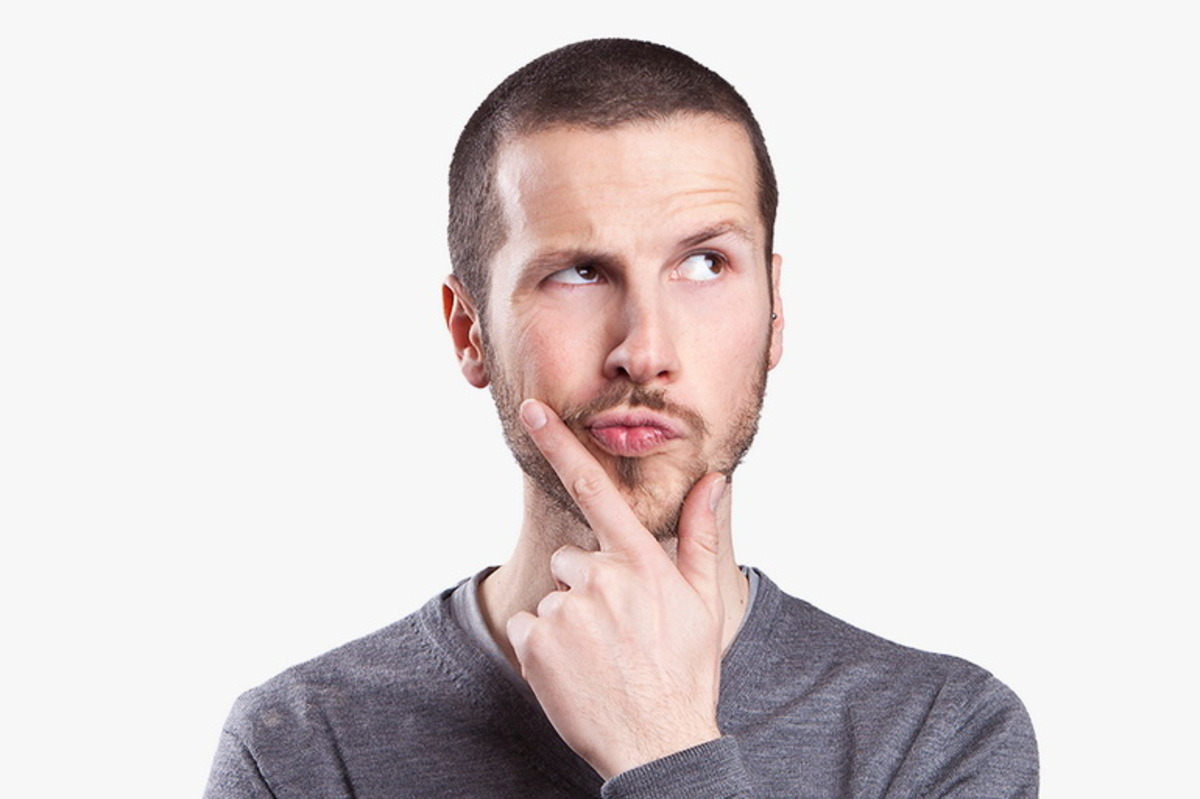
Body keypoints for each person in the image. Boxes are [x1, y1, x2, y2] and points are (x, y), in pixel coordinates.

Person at [205, 38, 1038, 798]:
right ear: (470, 331)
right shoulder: (303, 750)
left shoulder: (939, 735)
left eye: (705, 263)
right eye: (577, 273)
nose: (645, 350)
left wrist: (665, 750)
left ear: (777, 309)